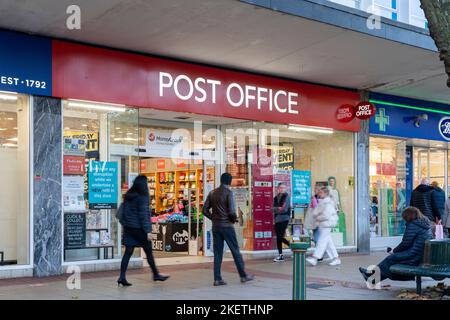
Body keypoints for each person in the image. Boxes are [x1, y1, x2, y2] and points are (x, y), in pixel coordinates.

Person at [202, 173, 254, 286]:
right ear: (229, 181)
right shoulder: (228, 193)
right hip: (227, 227)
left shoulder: (212, 193)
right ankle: (243, 276)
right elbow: (231, 211)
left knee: (218, 253)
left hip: (216, 227)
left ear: (221, 180)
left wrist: (214, 218)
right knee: (235, 251)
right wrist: (234, 219)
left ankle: (217, 279)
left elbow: (204, 210)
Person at [118, 175, 169, 287]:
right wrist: (148, 231)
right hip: (139, 229)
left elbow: (123, 212)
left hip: (128, 228)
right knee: (149, 252)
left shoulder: (128, 195)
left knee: (128, 252)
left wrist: (126, 225)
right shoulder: (143, 196)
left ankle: (122, 277)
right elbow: (144, 215)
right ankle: (156, 274)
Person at [359, 207, 432, 283]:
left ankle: (370, 275)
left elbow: (405, 243)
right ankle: (371, 278)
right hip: (420, 255)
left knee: (390, 259)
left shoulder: (413, 225)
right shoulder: (424, 224)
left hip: (413, 256)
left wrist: (394, 251)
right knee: (390, 261)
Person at [306, 187, 341, 266]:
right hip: (324, 224)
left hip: (326, 224)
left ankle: (315, 257)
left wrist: (317, 218)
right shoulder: (324, 202)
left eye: (321, 192)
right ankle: (336, 258)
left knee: (322, 241)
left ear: (326, 193)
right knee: (328, 243)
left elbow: (326, 215)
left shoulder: (327, 202)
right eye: (319, 192)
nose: (319, 194)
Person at [273, 182, 291, 262]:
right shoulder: (275, 198)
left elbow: (285, 209)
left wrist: (277, 209)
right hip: (277, 219)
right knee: (278, 237)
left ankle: (292, 246)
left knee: (280, 237)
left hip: (285, 219)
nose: (282, 189)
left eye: (284, 188)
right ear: (278, 188)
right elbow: (272, 209)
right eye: (281, 188)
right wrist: (278, 209)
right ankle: (280, 255)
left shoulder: (287, 197)